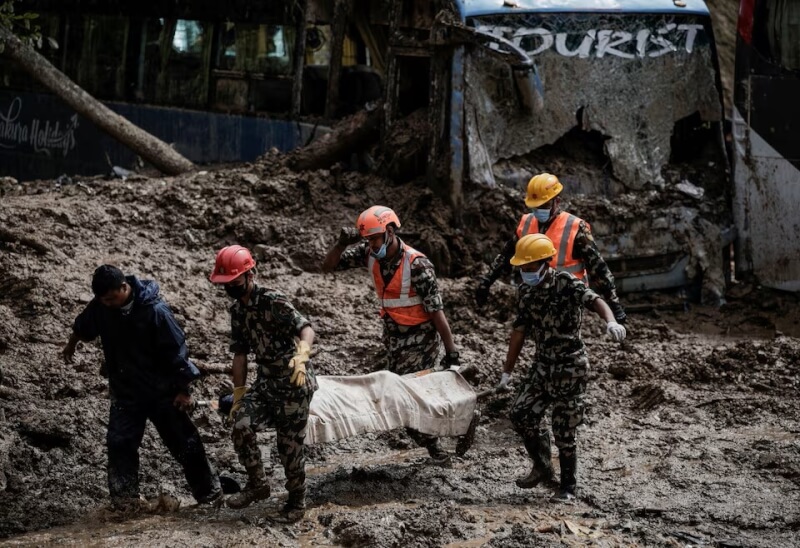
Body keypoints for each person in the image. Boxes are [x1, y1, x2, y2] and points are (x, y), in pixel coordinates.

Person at [61, 265, 221, 510]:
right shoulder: (102, 306)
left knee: (185, 443)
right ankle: (125, 502)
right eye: (103, 300)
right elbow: (83, 325)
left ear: (124, 288)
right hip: (126, 392)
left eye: (111, 299)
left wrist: (183, 390)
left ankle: (209, 495)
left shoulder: (156, 312)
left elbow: (177, 353)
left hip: (162, 392)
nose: (107, 304)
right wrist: (71, 345)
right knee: (119, 443)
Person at [322, 205, 461, 465]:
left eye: (374, 238)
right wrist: (340, 244)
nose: (372, 245)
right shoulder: (369, 254)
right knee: (412, 398)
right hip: (394, 338)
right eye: (368, 240)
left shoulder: (417, 265)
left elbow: (437, 312)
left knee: (405, 398)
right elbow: (328, 267)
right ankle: (443, 439)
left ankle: (440, 446)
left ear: (390, 231)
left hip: (421, 340)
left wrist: (452, 352)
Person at [496, 234, 626, 503]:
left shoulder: (566, 283)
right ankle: (542, 466)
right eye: (522, 268)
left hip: (570, 366)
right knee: (521, 414)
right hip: (542, 365)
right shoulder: (525, 291)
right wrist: (507, 372)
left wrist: (611, 321)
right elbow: (519, 331)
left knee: (564, 429)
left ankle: (568, 486)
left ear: (545, 263)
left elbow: (596, 301)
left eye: (530, 268)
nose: (525, 273)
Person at [209, 245, 316, 521]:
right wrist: (239, 392)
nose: (231, 288)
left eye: (235, 282)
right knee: (241, 424)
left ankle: (296, 504)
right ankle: (257, 485)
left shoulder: (273, 301)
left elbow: (305, 328)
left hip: (294, 381)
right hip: (266, 382)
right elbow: (240, 354)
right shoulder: (237, 312)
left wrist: (302, 355)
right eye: (226, 285)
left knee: (288, 447)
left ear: (250, 274)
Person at [475, 173, 627, 324]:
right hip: (535, 297)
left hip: (568, 298)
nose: (539, 209)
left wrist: (613, 304)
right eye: (536, 206)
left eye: (545, 205)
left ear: (557, 201)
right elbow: (506, 256)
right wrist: (487, 281)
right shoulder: (526, 223)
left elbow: (598, 268)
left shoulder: (575, 227)